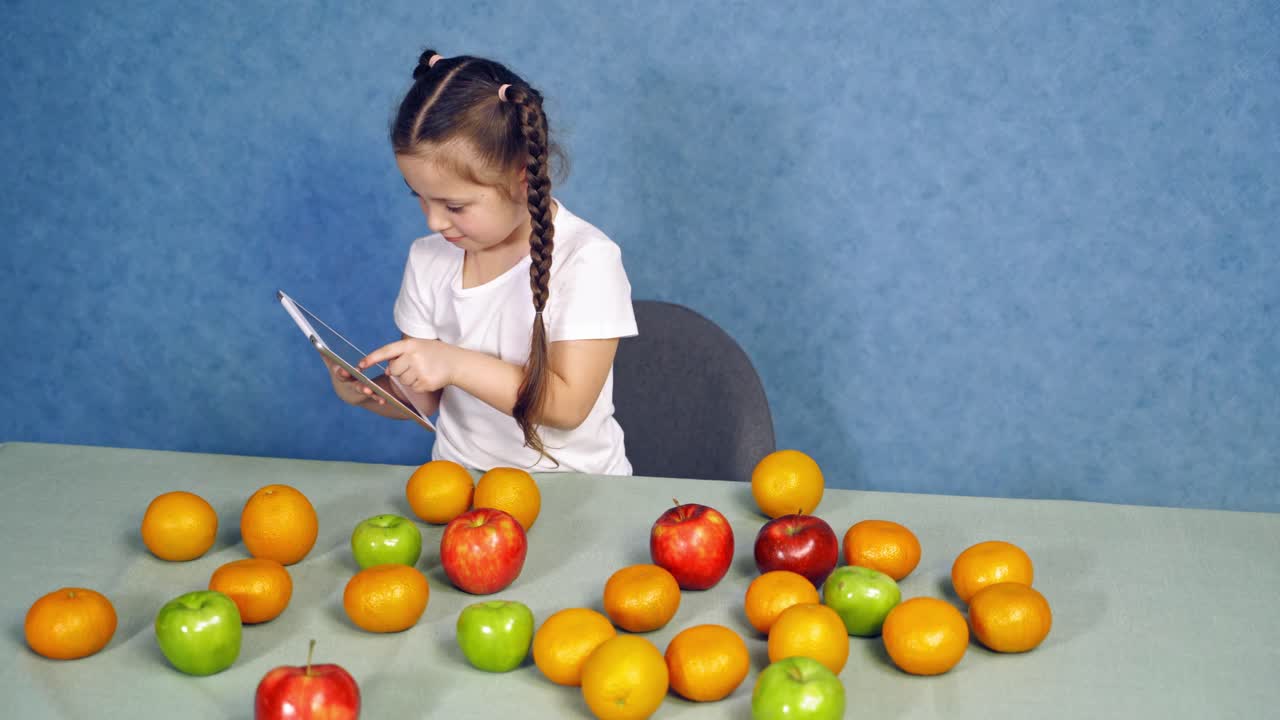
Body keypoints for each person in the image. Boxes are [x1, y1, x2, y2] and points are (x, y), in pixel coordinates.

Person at [324, 48, 637, 475]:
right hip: (460, 488)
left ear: (521, 177)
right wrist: (363, 392)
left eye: (454, 206)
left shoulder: (587, 261)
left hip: (577, 492)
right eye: (419, 197)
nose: (434, 222)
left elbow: (567, 406)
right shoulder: (428, 259)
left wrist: (451, 361)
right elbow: (423, 398)